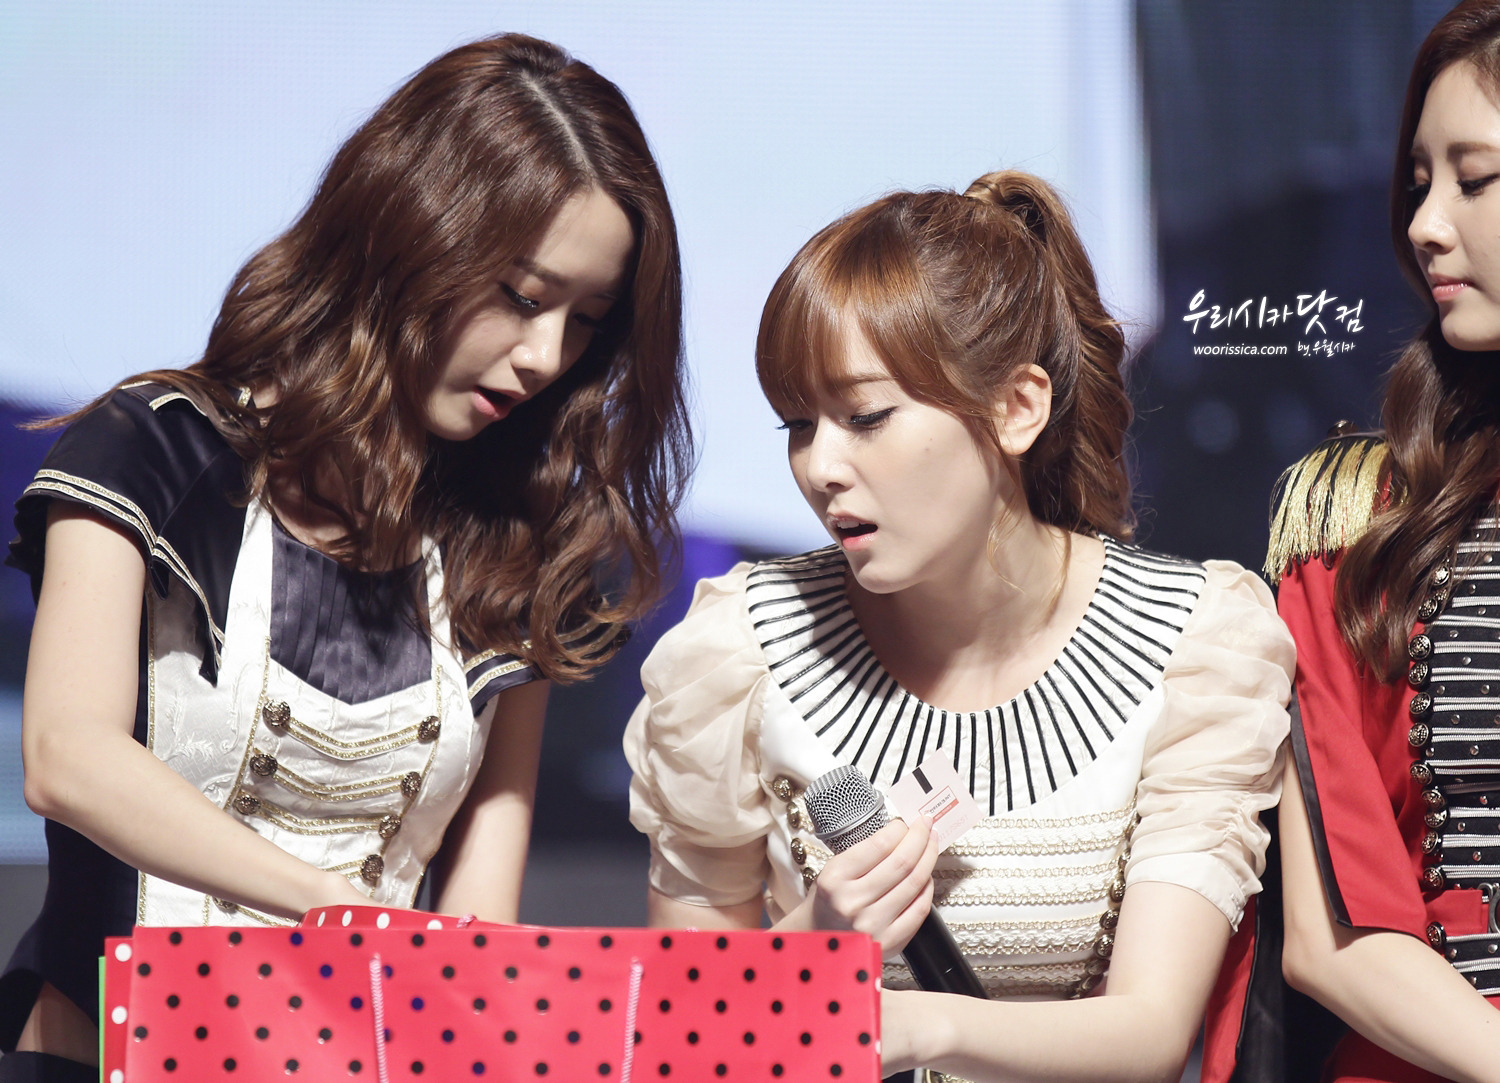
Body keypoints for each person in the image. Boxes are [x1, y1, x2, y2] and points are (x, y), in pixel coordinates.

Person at [0, 33, 689, 1082]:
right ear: (411, 231)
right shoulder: (152, 449)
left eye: (585, 322)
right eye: (521, 295)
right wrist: (337, 907)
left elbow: (478, 924)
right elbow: (65, 757)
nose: (546, 356)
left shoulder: (517, 544)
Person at [625, 170, 1293, 1082]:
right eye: (798, 424)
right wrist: (812, 942)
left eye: (864, 416)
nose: (820, 466)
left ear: (1018, 408)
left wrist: (909, 1024)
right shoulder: (740, 650)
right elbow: (677, 1032)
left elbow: (1149, 1030)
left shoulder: (1191, 646)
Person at [1203, 3, 1500, 1082]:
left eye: (1475, 179)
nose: (1425, 223)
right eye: (1418, 182)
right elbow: (1338, 935)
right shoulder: (1358, 524)